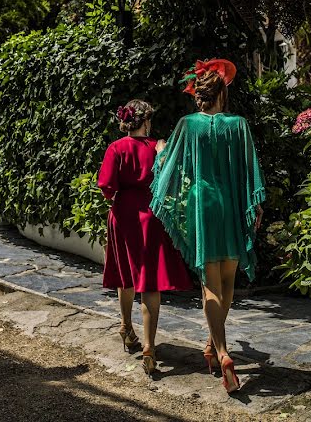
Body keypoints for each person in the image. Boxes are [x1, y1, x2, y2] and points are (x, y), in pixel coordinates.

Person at [150, 60, 265, 393]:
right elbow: (250, 171)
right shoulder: (239, 125)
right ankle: (214, 347)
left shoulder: (187, 125)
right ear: (222, 94)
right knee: (228, 280)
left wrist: (159, 151)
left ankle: (222, 351)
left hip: (202, 204)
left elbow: (168, 163)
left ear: (199, 95)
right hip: (229, 203)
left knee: (210, 284)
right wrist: (254, 205)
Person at [98, 99, 193, 376]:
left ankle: (126, 327)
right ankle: (149, 348)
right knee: (150, 282)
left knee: (126, 275)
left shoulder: (116, 148)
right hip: (152, 216)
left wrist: (116, 195)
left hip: (123, 214)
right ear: (147, 121)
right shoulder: (157, 148)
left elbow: (106, 185)